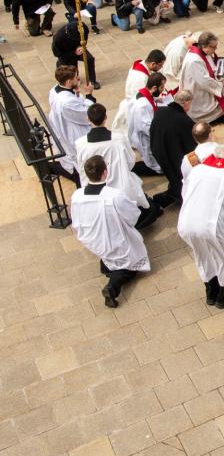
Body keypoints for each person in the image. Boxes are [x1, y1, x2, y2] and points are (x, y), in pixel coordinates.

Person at [70, 155, 151, 308]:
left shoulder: (77, 195)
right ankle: (112, 287)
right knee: (130, 266)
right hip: (115, 239)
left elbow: (76, 220)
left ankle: (107, 265)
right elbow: (132, 216)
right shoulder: (114, 195)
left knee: (112, 258)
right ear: (105, 172)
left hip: (92, 240)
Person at [177, 144, 224, 309]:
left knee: (203, 255)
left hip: (187, 221)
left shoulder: (198, 170)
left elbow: (185, 192)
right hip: (212, 225)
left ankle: (211, 291)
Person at [75, 103, 161, 230]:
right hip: (120, 184)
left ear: (88, 119)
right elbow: (130, 161)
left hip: (94, 184)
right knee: (148, 209)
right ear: (106, 118)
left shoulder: (80, 143)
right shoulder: (118, 139)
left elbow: (82, 166)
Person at [180, 32, 224, 123]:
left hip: (206, 86)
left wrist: (219, 73)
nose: (215, 50)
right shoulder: (194, 61)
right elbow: (205, 82)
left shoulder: (201, 51)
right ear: (204, 46)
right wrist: (221, 83)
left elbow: (210, 68)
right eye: (213, 47)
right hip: (198, 95)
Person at [48, 65, 95, 185]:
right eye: (76, 78)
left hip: (63, 124)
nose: (78, 79)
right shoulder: (67, 102)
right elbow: (87, 115)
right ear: (69, 82)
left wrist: (77, 93)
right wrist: (89, 95)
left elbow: (77, 101)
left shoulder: (55, 89)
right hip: (72, 131)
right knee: (81, 161)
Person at [149, 90, 197, 206]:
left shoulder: (160, 111)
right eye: (190, 103)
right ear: (185, 103)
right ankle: (175, 198)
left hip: (157, 149)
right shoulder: (184, 120)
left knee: (172, 177)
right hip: (173, 155)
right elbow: (190, 147)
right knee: (180, 180)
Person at [112, 49, 166, 136]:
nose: (161, 68)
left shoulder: (141, 64)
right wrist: (155, 99)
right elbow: (143, 96)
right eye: (160, 65)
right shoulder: (140, 78)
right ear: (153, 64)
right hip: (135, 104)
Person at [128, 72, 169, 176]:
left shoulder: (145, 94)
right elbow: (147, 128)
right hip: (145, 139)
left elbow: (150, 100)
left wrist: (157, 100)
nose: (163, 89)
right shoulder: (143, 106)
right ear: (154, 88)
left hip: (144, 134)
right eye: (162, 87)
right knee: (153, 162)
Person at [51, 19, 99, 89]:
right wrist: (74, 53)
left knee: (89, 59)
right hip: (65, 54)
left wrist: (81, 46)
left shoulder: (82, 27)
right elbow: (57, 53)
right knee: (66, 70)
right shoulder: (58, 37)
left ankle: (92, 80)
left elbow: (85, 37)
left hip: (78, 49)